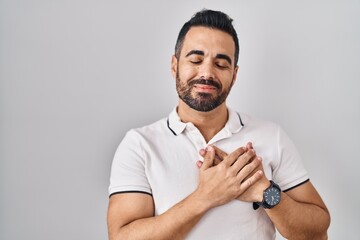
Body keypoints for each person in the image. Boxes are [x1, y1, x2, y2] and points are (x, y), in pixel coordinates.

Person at [107, 9, 330, 240]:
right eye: (195, 60)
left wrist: (266, 192)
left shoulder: (271, 136)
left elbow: (318, 231)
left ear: (234, 75)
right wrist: (207, 196)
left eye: (221, 64)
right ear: (174, 65)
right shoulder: (140, 145)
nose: (206, 73)